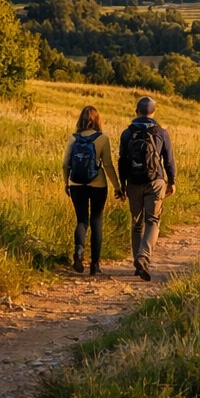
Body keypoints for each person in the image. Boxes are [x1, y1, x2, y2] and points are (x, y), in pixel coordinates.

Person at [120, 95, 176, 281]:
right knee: (152, 221)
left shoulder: (127, 133)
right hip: (155, 181)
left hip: (133, 183)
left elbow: (122, 161)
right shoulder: (161, 132)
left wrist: (122, 184)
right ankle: (143, 257)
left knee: (136, 223)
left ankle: (137, 262)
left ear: (137, 111)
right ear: (154, 112)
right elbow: (168, 160)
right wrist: (172, 181)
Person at [63, 105, 121, 276]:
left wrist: (66, 183)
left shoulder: (73, 138)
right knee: (96, 221)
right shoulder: (102, 138)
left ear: (80, 119)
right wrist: (117, 187)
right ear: (97, 120)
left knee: (81, 220)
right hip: (98, 184)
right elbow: (108, 165)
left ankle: (79, 251)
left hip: (76, 184)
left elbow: (65, 164)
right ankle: (95, 265)